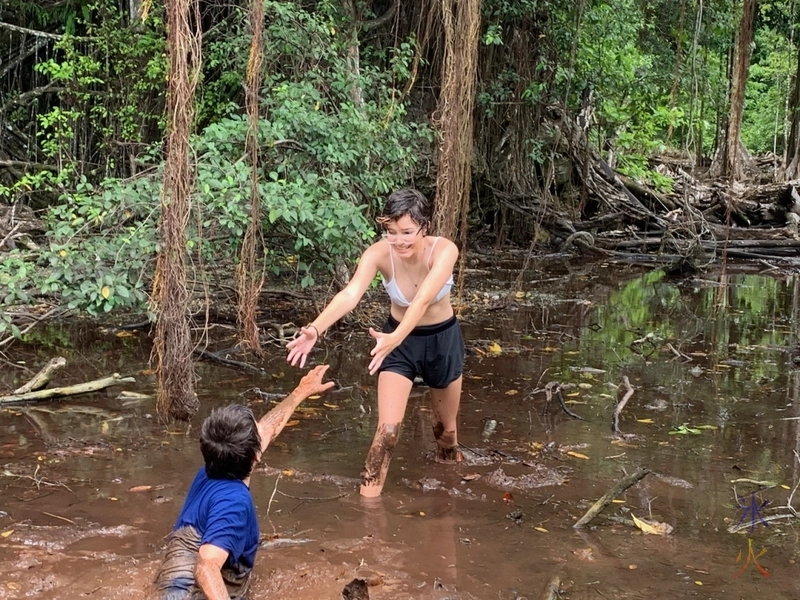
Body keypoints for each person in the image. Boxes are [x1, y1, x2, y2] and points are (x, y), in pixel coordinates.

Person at [286, 188, 465, 498]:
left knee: (446, 434)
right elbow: (350, 294)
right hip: (395, 344)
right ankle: (368, 514)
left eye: (407, 232)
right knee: (387, 433)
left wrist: (398, 335)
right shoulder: (378, 253)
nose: (399, 241)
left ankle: (447, 497)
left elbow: (422, 299)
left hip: (442, 340)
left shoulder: (445, 250)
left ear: (425, 226)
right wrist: (316, 329)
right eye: (391, 232)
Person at [149, 365, 334, 600]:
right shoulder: (235, 502)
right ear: (255, 456)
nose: (262, 429)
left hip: (168, 584)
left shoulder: (212, 467)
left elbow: (268, 429)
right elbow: (206, 565)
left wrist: (300, 392)